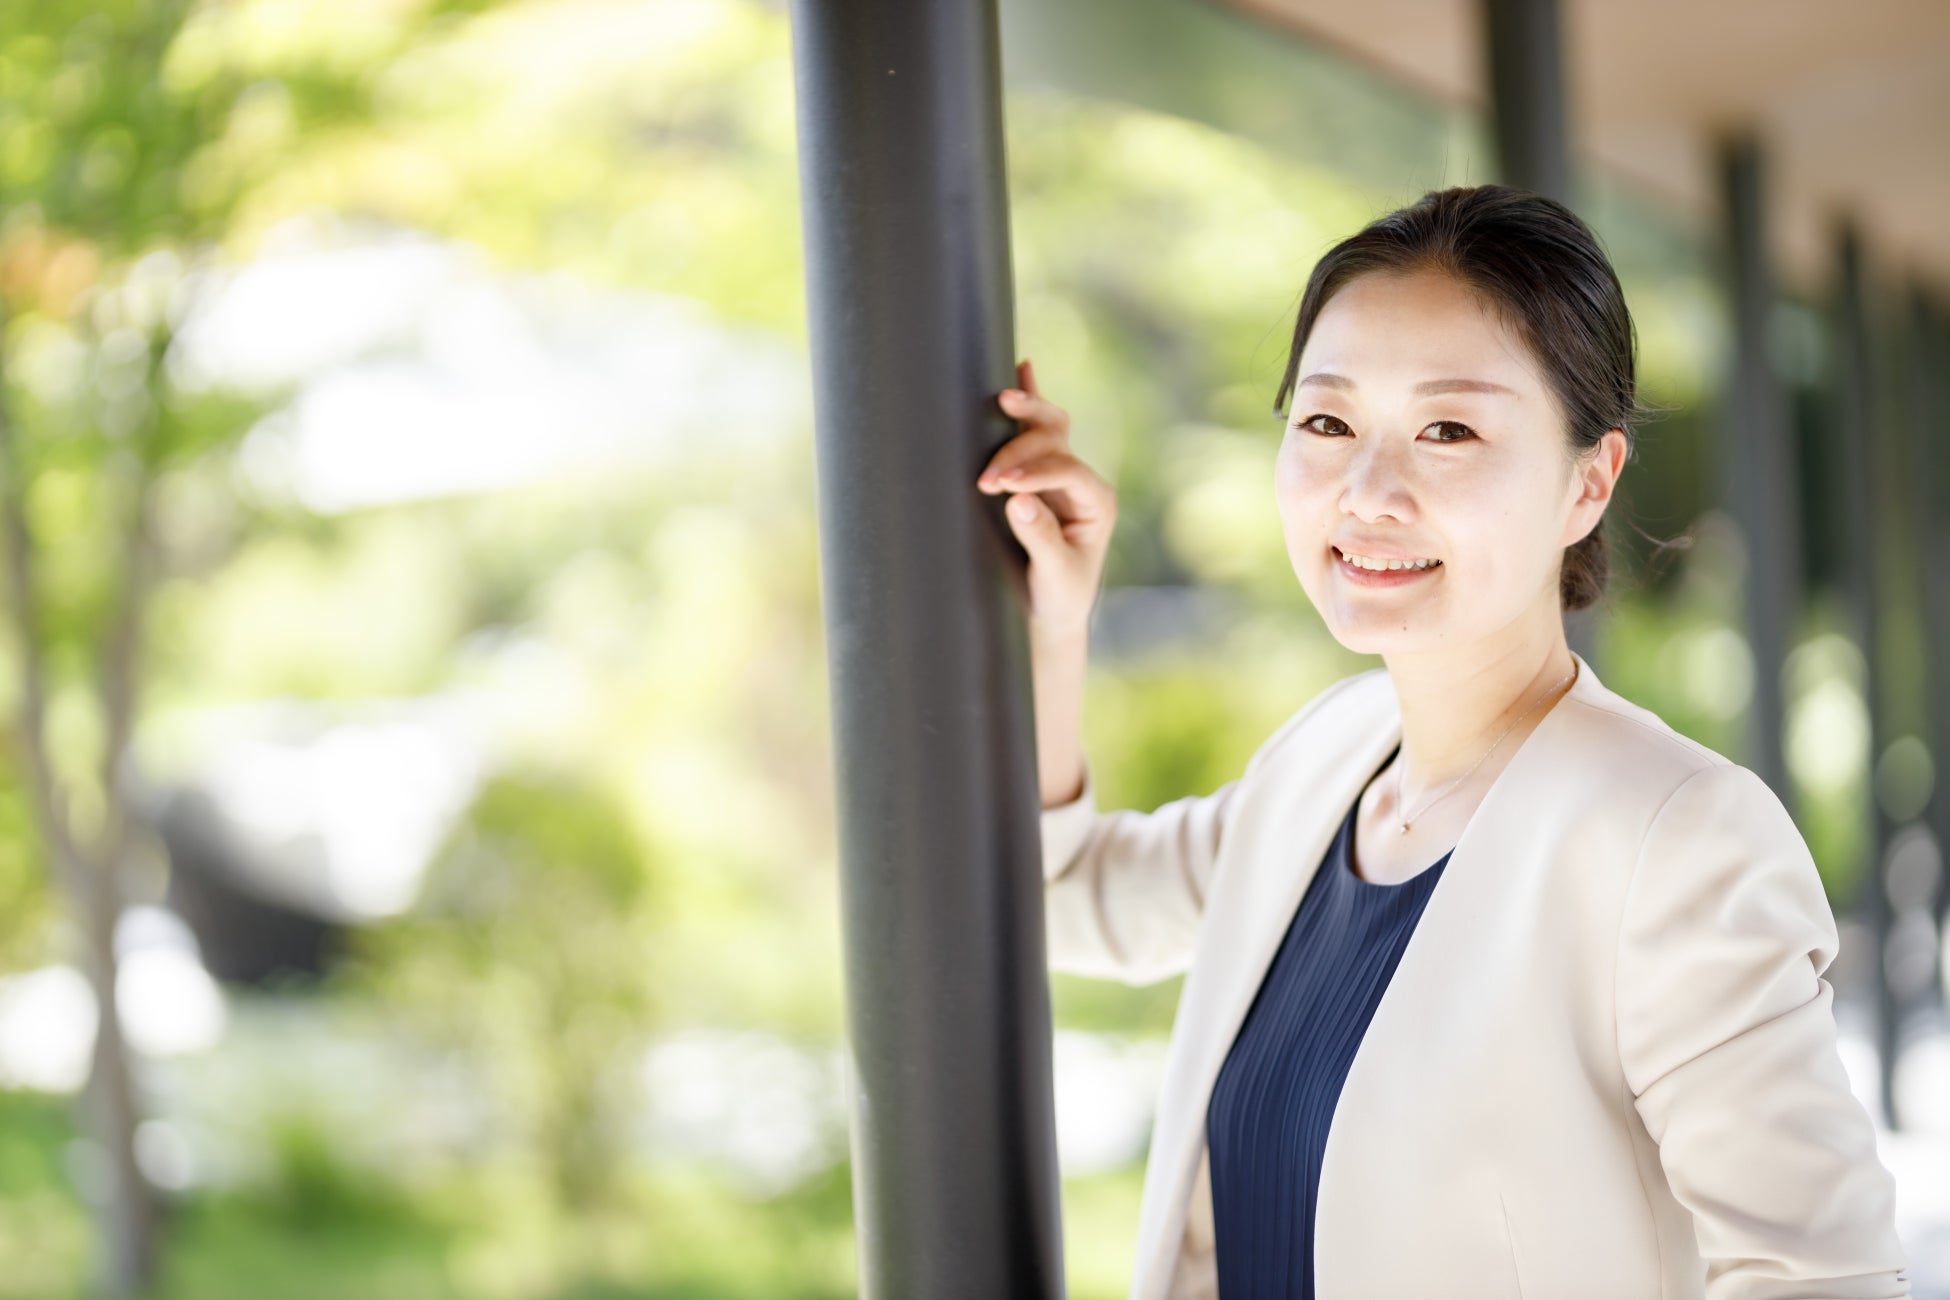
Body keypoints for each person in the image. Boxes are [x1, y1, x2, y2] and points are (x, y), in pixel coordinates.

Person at [976, 185, 1909, 1300]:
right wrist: (1058, 621)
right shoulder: (1324, 762)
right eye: (1327, 422)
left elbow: (1821, 1278)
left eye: (1450, 430)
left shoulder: (1675, 838)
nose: (1368, 491)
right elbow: (1063, 892)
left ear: (1587, 481)